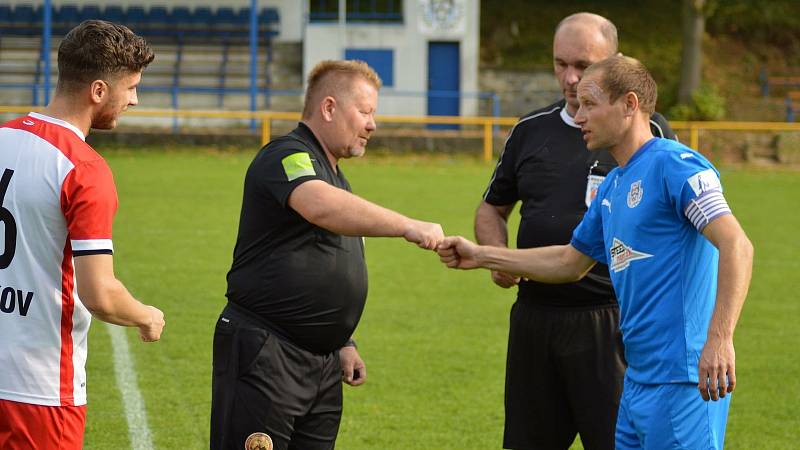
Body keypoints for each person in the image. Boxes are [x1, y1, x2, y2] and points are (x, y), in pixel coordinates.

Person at [440, 55, 753, 450]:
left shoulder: (677, 166)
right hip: (636, 381)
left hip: (684, 379)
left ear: (629, 104)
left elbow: (737, 244)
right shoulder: (614, 186)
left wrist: (720, 339)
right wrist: (483, 255)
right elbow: (568, 263)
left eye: (590, 103)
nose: (579, 114)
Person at [210, 59, 445, 450]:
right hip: (268, 353)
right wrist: (407, 225)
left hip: (321, 366)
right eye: (366, 112)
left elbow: (330, 261)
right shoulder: (286, 155)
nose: (373, 125)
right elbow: (319, 205)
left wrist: (344, 341)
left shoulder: (339, 180)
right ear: (329, 108)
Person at [475, 12, 675, 450]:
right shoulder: (530, 130)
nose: (569, 78)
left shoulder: (648, 135)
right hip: (535, 317)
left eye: (583, 66)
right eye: (559, 63)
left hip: (611, 323)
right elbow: (492, 208)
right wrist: (496, 254)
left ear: (616, 63)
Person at [0, 20, 165, 449]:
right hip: (38, 389)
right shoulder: (83, 169)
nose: (135, 99)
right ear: (97, 90)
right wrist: (146, 315)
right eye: (130, 88)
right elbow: (101, 294)